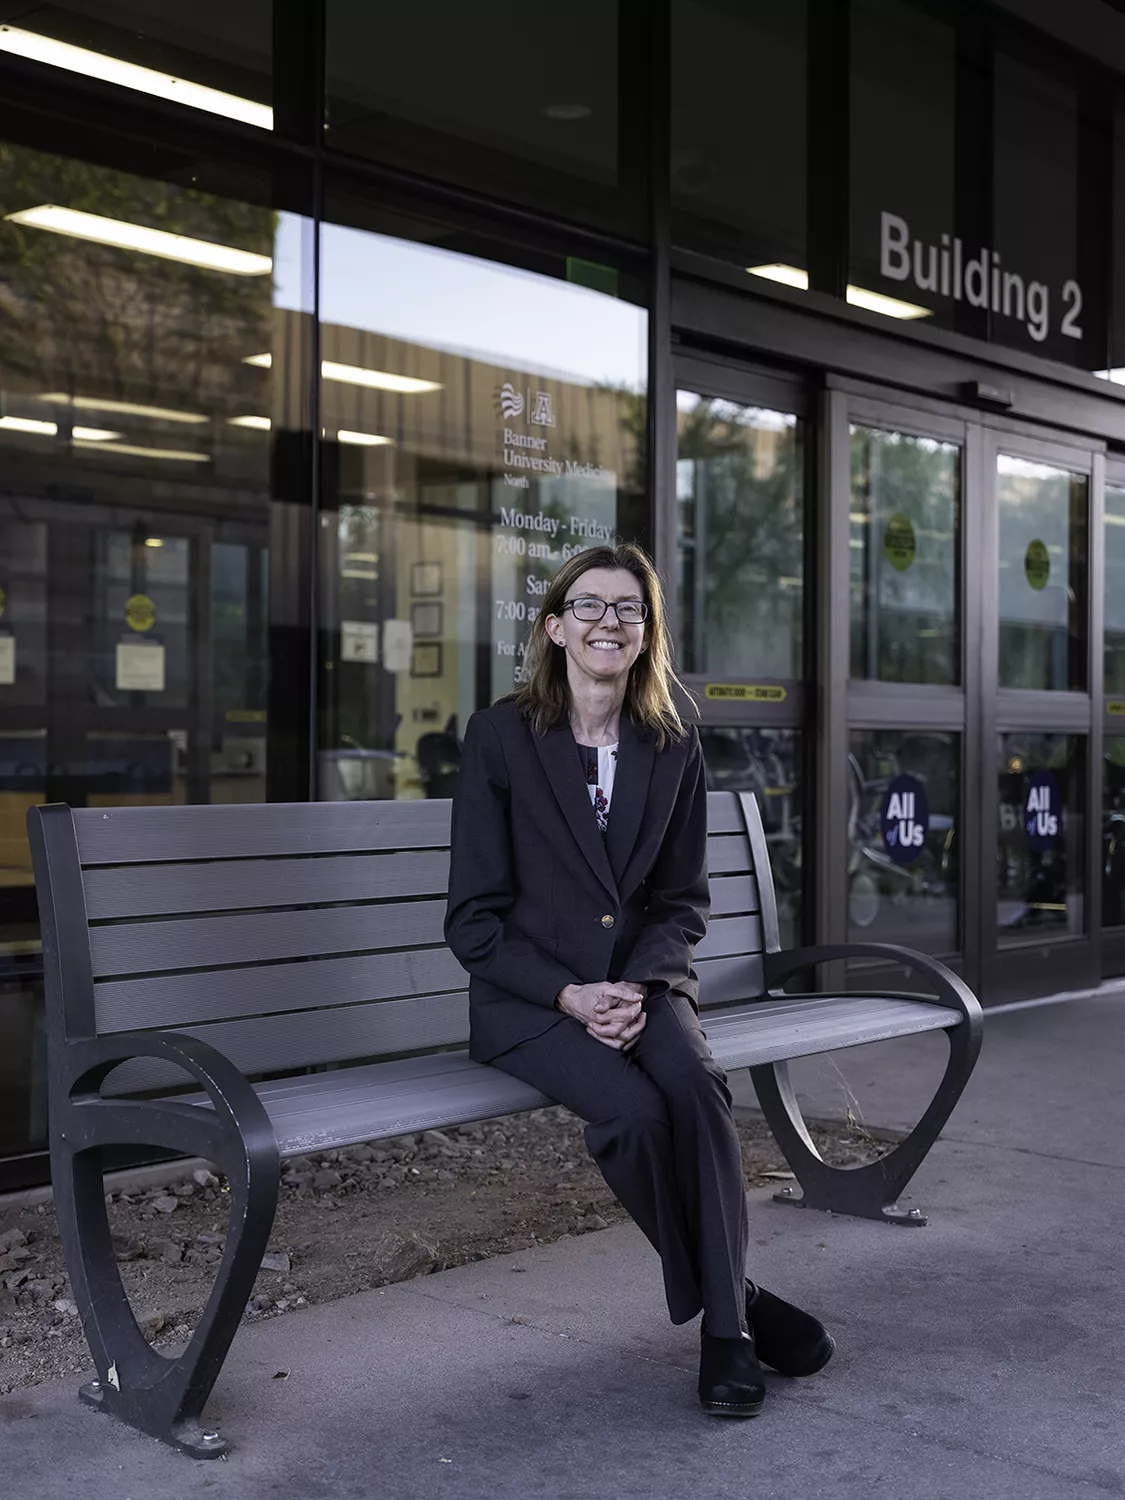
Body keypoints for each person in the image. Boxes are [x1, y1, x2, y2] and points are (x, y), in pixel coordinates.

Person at [445, 542, 833, 1417]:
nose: (607, 622)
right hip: (531, 1001)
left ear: (646, 632)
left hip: (643, 987)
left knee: (695, 1085)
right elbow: (472, 919)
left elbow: (681, 902)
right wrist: (570, 994)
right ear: (554, 628)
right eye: (588, 606)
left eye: (628, 609)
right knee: (631, 1113)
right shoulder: (501, 738)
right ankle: (741, 1308)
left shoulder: (670, 742)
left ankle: (723, 1334)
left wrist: (640, 987)